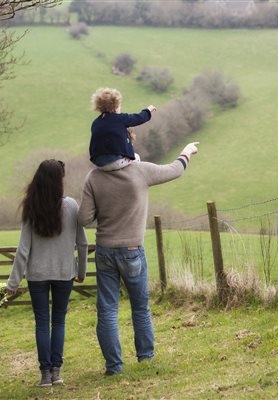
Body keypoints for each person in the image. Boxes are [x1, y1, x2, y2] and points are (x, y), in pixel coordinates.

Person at [78, 141, 200, 375]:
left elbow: (83, 218)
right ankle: (145, 358)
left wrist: (104, 212)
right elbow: (176, 169)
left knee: (107, 310)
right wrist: (186, 150)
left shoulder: (93, 177)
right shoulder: (140, 170)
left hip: (104, 250)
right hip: (132, 250)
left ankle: (114, 367)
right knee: (140, 307)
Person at [7, 159, 88, 387]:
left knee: (42, 323)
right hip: (64, 273)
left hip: (37, 275)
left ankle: (45, 375)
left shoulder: (31, 208)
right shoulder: (72, 206)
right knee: (59, 322)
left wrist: (12, 283)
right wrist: (81, 271)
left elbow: (23, 250)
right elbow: (82, 243)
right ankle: (57, 372)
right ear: (59, 182)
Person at [89, 87, 156, 171]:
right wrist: (148, 110)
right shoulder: (120, 118)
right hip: (115, 161)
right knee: (136, 157)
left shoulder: (95, 123)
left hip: (99, 163)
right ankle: (135, 178)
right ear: (115, 107)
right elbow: (138, 118)